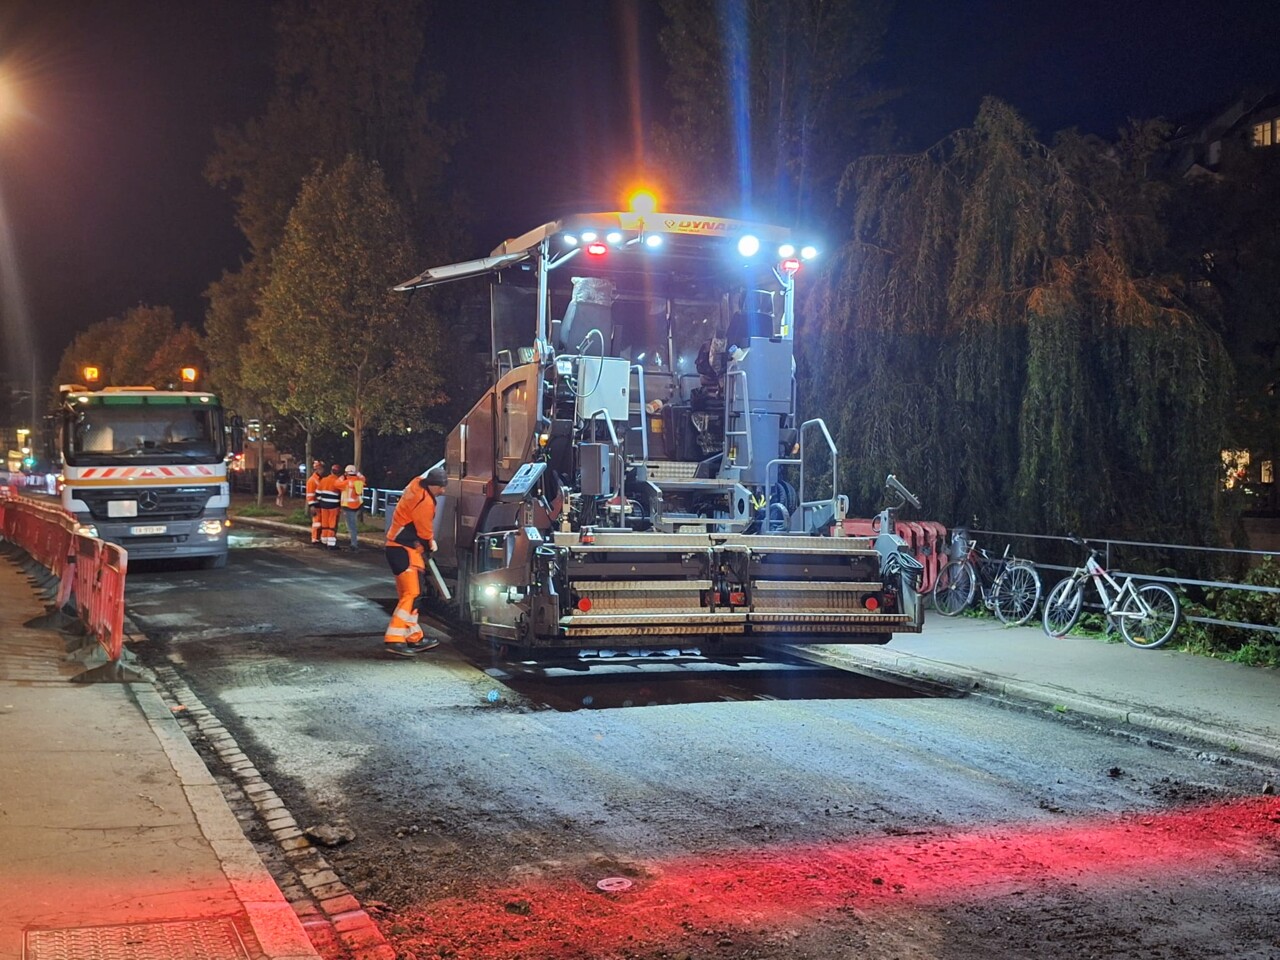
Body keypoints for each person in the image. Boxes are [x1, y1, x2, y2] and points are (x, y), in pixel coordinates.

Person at [382, 466, 447, 658]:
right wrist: (430, 544)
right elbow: (424, 529)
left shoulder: (416, 484)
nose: (443, 491)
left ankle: (414, 636)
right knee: (411, 594)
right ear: (434, 486)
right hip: (403, 549)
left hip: (400, 548)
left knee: (411, 595)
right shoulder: (425, 502)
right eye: (442, 487)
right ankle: (394, 638)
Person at [316, 463, 344, 549]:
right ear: (338, 473)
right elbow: (342, 494)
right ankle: (331, 544)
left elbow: (318, 493)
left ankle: (324, 540)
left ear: (331, 471)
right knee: (332, 524)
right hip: (334, 506)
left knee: (325, 523)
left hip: (324, 505)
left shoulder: (323, 480)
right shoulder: (338, 481)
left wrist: (321, 501)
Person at [339, 463, 366, 551]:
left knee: (351, 526)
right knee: (352, 525)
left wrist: (342, 476)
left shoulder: (345, 482)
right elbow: (363, 478)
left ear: (347, 473)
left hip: (348, 506)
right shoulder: (359, 481)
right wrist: (357, 473)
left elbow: (336, 484)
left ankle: (354, 544)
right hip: (356, 506)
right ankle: (353, 543)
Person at [305, 459, 324, 545]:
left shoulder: (320, 479)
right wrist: (311, 505)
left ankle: (318, 538)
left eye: (322, 469)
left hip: (320, 504)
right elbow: (309, 494)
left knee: (320, 522)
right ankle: (315, 538)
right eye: (320, 469)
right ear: (316, 470)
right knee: (316, 522)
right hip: (315, 504)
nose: (322, 470)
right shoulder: (312, 480)